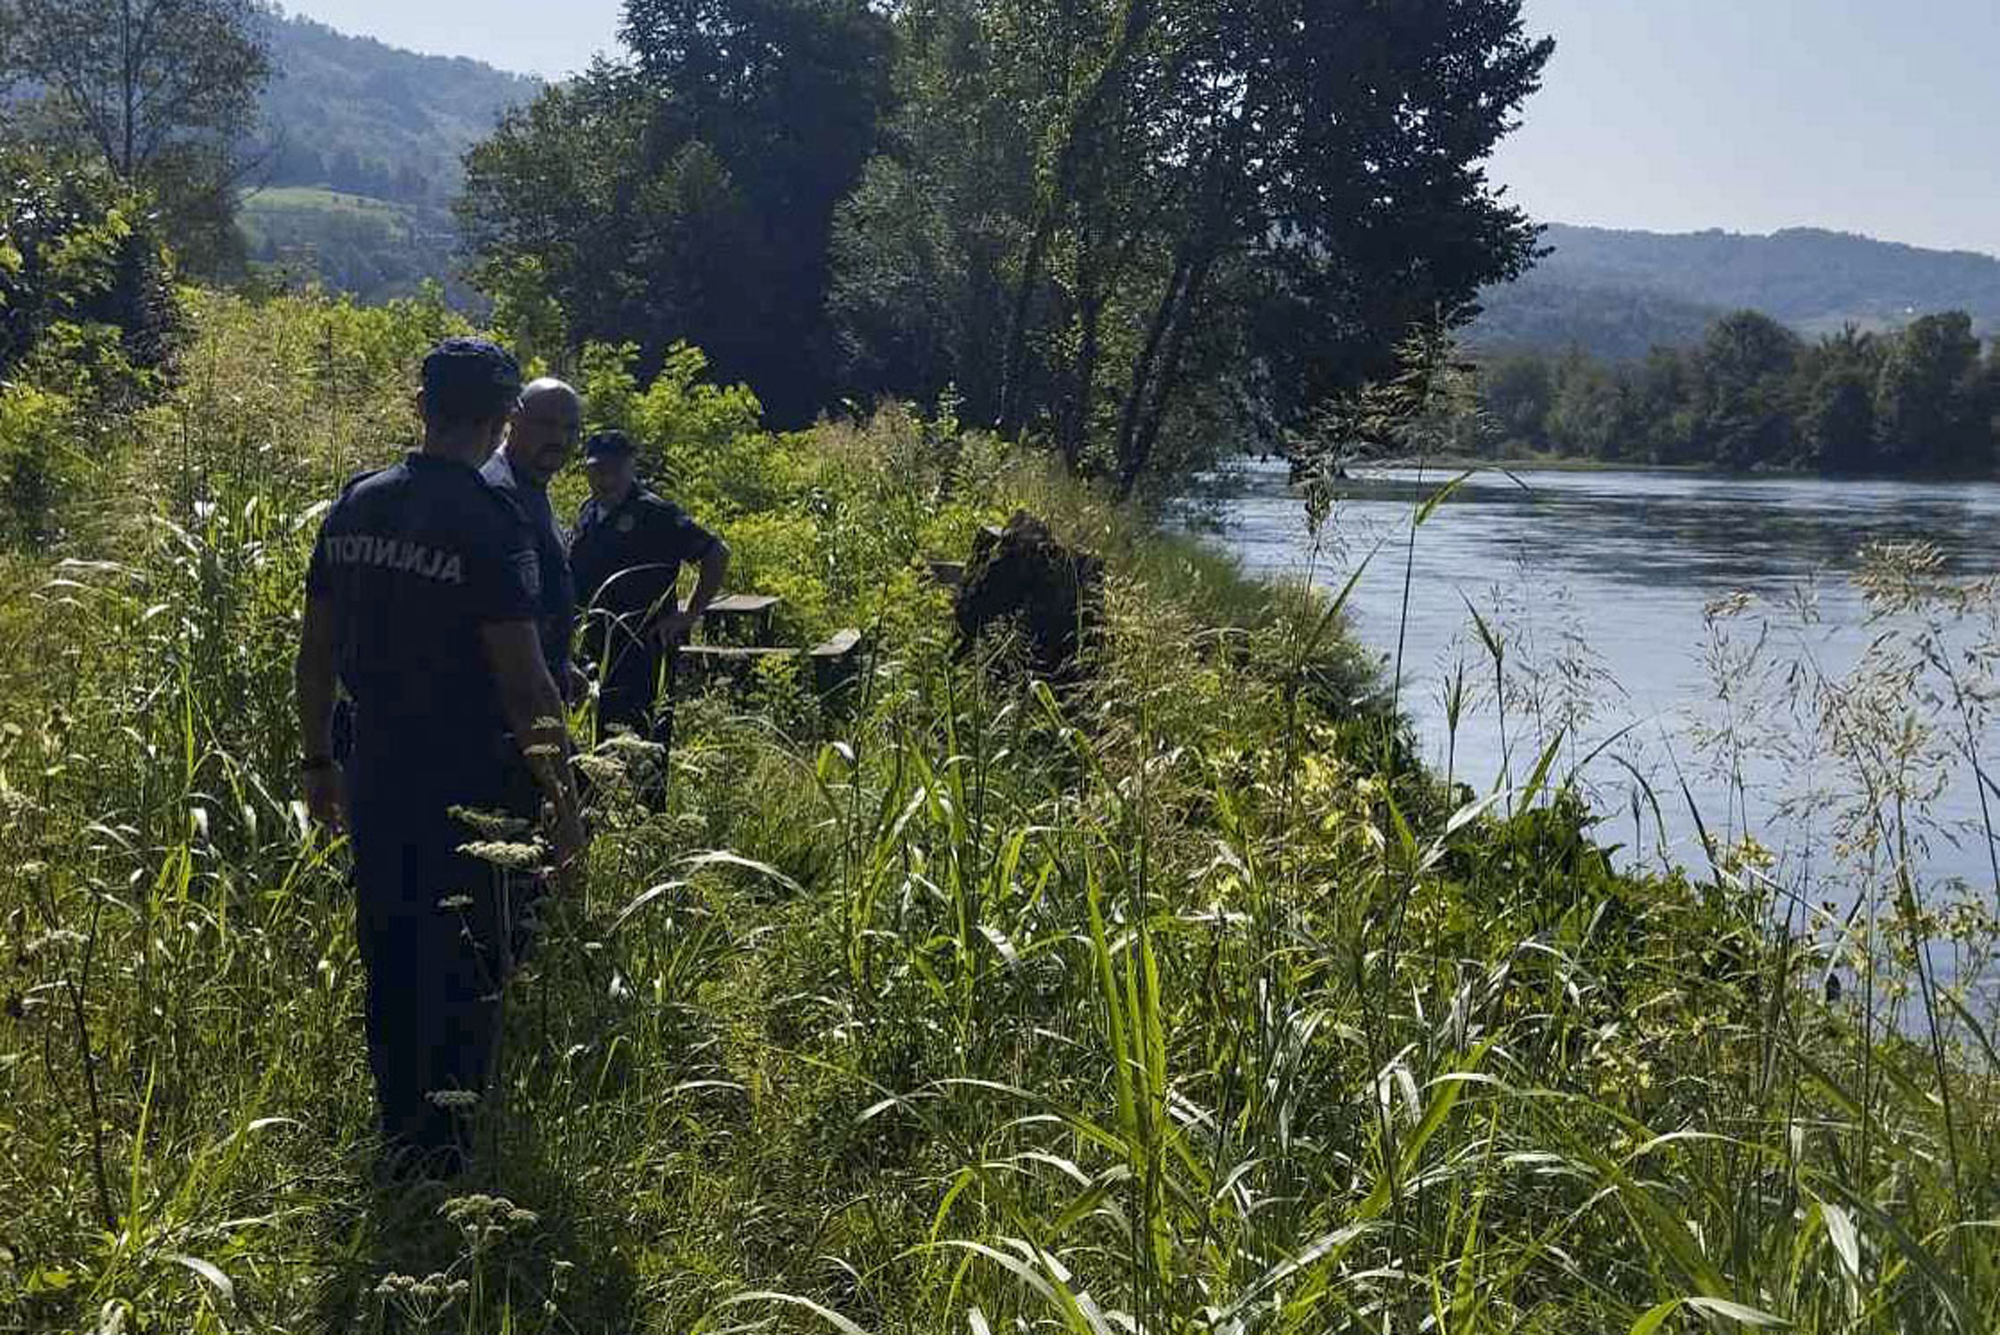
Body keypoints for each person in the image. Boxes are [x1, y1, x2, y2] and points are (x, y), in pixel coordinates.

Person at [294, 337, 586, 1179]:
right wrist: (565, 807)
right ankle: (447, 1157)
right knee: (466, 961)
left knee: (389, 949)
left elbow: (314, 654)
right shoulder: (489, 522)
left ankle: (398, 1138)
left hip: (375, 767)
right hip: (471, 779)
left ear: (419, 405)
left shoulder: (355, 505)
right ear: (502, 422)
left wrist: (318, 764)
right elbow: (528, 688)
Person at [569, 429, 729, 748]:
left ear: (631, 467)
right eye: (598, 470)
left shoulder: (655, 513)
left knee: (644, 746)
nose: (606, 479)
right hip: (597, 650)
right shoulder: (588, 512)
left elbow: (716, 553)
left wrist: (689, 613)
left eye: (614, 470)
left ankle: (645, 800)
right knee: (602, 745)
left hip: (644, 650)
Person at [482, 377, 582, 697]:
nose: (559, 438)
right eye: (546, 424)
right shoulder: (497, 492)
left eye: (571, 429)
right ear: (514, 418)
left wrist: (562, 663)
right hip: (507, 698)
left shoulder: (531, 488)